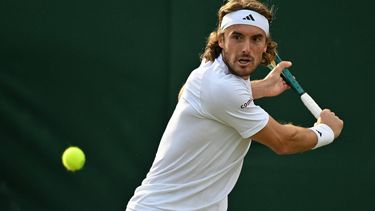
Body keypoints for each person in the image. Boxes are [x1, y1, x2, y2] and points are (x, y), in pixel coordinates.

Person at [126, 0, 344, 210]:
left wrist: (260, 88)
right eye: (237, 37)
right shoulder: (223, 87)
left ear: (265, 46)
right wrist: (326, 130)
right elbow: (283, 142)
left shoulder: (209, 68)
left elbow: (188, 93)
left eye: (256, 39)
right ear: (222, 40)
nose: (246, 49)